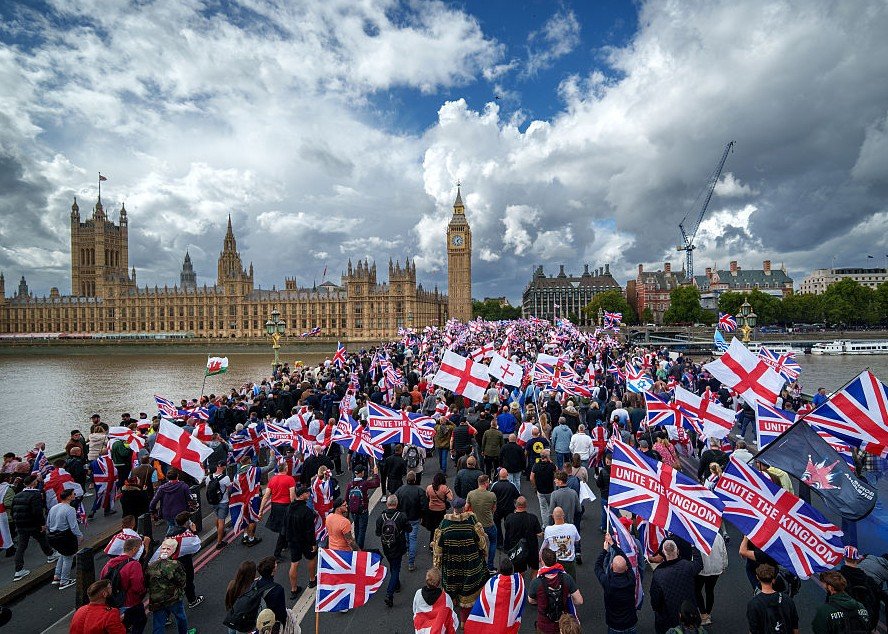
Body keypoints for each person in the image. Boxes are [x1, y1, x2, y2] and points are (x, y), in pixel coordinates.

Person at [431, 497, 489, 623]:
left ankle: (451, 616)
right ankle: (464, 621)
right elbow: (482, 543)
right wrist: (484, 553)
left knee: (452, 588)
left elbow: (438, 548)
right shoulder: (471, 521)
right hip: (470, 563)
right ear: (464, 508)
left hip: (451, 564)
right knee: (468, 592)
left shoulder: (445, 525)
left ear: (453, 508)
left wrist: (436, 565)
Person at [650, 539, 704, 634]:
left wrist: (658, 610)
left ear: (663, 552)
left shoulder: (658, 574)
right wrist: (693, 545)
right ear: (678, 551)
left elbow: (655, 599)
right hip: (688, 612)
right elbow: (699, 564)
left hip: (668, 616)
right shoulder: (687, 566)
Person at [12, 474, 59, 581]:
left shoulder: (17, 495)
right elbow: (37, 512)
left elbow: (13, 510)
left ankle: (18, 570)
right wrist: (42, 524)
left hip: (20, 524)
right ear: (33, 482)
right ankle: (51, 555)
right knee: (42, 538)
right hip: (32, 524)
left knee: (21, 546)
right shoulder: (36, 494)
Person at [527, 547, 584, 634]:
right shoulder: (566, 578)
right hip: (562, 624)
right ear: (556, 560)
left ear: (542, 562)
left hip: (544, 626)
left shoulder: (536, 582)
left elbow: (531, 600)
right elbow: (579, 601)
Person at [101, 537, 147, 634]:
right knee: (140, 622)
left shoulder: (109, 564)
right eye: (139, 548)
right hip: (131, 602)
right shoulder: (134, 564)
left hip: (113, 603)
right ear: (134, 549)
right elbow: (138, 587)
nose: (140, 551)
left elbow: (102, 580)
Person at [595, 533, 638, 634]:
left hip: (615, 625)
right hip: (631, 623)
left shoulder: (607, 582)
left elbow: (597, 567)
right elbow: (625, 558)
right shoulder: (631, 579)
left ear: (611, 567)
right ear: (626, 568)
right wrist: (613, 544)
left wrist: (605, 550)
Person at [146, 538, 189, 634]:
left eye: (168, 549)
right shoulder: (175, 564)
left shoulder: (151, 565)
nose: (165, 551)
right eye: (164, 548)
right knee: (180, 618)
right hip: (173, 598)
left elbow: (146, 582)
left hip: (156, 600)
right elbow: (182, 581)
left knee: (158, 624)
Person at [283, 485, 317, 598]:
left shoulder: (289, 508)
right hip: (305, 541)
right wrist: (313, 543)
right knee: (311, 558)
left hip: (292, 540)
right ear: (302, 495)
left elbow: (285, 524)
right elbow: (310, 530)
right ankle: (312, 580)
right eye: (307, 493)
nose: (309, 495)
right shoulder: (306, 511)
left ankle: (294, 589)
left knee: (294, 563)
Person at [746, 563, 800, 634]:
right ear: (774, 579)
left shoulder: (753, 604)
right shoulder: (787, 600)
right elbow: (795, 626)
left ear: (757, 577)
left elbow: (753, 629)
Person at [46, 487, 83, 589]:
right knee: (68, 557)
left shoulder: (54, 508)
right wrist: (79, 536)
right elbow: (73, 526)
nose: (74, 496)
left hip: (53, 536)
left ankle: (57, 576)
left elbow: (48, 523)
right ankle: (64, 581)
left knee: (63, 555)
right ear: (69, 497)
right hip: (65, 536)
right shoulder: (70, 509)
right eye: (73, 494)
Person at [376, 494, 409, 607]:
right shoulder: (401, 516)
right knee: (395, 569)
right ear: (397, 504)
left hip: (386, 546)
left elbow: (377, 533)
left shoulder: (381, 517)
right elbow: (409, 529)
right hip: (398, 546)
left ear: (387, 504)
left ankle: (397, 584)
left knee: (393, 566)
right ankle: (389, 593)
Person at [260, 462, 296, 560]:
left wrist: (261, 511)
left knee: (283, 528)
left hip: (275, 506)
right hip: (286, 506)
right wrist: (294, 507)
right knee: (283, 529)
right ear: (285, 469)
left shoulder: (272, 479)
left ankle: (285, 544)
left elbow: (266, 496)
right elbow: (292, 496)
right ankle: (277, 553)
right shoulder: (290, 479)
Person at [167, 511, 203, 608]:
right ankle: (192, 600)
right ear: (186, 522)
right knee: (188, 580)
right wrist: (194, 531)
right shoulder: (186, 535)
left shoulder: (170, 532)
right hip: (184, 561)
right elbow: (197, 544)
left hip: (171, 562)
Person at [394, 470, 427, 572]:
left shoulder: (399, 490)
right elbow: (424, 506)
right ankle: (411, 562)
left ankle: (408, 549)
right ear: (415, 479)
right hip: (414, 518)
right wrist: (422, 516)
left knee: (405, 535)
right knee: (413, 538)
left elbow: (395, 503)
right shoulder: (419, 491)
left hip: (403, 518)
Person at [412, 567, 459, 634]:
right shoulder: (446, 598)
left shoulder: (418, 593)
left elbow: (415, 610)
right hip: (438, 629)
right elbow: (450, 615)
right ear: (438, 582)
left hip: (421, 629)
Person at [503, 496, 544, 575]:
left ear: (516, 505)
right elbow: (539, 534)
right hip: (531, 548)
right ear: (526, 505)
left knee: (519, 571)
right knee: (534, 568)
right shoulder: (533, 518)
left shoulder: (510, 518)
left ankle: (521, 585)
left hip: (517, 549)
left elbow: (507, 532)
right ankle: (533, 585)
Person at [465, 474, 498, 571]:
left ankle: (478, 566)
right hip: (488, 524)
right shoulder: (491, 495)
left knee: (476, 544)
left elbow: (466, 508)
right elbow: (494, 509)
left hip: (476, 525)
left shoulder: (471, 494)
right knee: (493, 541)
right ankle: (490, 566)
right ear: (486, 483)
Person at [344, 463, 380, 550]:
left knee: (356, 527)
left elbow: (346, 498)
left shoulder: (350, 484)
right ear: (361, 473)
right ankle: (359, 548)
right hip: (363, 510)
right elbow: (377, 484)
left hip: (353, 511)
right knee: (362, 529)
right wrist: (376, 473)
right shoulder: (364, 484)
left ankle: (356, 544)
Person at [695, 531, 727, 626]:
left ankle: (703, 614)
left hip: (701, 569)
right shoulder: (718, 536)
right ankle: (708, 613)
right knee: (710, 590)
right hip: (715, 569)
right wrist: (724, 565)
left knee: (697, 591)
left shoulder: (697, 535)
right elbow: (723, 551)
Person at [541, 507, 581, 580]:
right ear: (563, 515)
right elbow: (577, 540)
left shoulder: (548, 530)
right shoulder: (572, 527)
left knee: (555, 582)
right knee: (570, 583)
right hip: (569, 562)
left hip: (554, 561)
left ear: (553, 517)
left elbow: (545, 544)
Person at [149, 468, 192, 535]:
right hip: (181, 513)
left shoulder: (162, 488)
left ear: (167, 477)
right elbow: (190, 499)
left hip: (167, 513)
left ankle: (169, 540)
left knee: (172, 527)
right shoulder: (184, 486)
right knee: (182, 530)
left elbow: (153, 501)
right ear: (177, 476)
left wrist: (153, 511)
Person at [224, 561, 258, 634]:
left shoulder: (232, 584)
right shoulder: (251, 590)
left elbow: (228, 602)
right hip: (244, 624)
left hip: (232, 619)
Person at [490, 468, 519, 549]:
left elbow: (491, 496)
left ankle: (499, 543)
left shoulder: (495, 485)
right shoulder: (511, 485)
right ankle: (507, 545)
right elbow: (518, 497)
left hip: (498, 509)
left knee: (497, 526)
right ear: (507, 475)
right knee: (509, 527)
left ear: (499, 475)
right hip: (509, 509)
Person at [205, 462, 232, 550]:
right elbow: (229, 490)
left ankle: (219, 532)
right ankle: (219, 542)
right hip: (223, 501)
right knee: (222, 521)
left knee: (217, 517)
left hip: (213, 501)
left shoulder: (209, 477)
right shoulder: (226, 478)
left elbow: (207, 489)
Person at [253, 556, 288, 625]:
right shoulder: (278, 589)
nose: (276, 565)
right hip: (270, 621)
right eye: (275, 564)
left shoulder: (254, 583)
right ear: (273, 570)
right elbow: (281, 613)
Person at [422, 472, 453, 547]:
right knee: (441, 527)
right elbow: (451, 498)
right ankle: (440, 544)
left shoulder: (429, 487)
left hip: (431, 509)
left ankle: (432, 544)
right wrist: (450, 491)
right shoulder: (444, 488)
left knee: (433, 529)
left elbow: (427, 496)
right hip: (441, 510)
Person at [531, 449, 556, 527]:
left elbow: (531, 477)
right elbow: (557, 471)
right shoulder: (551, 465)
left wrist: (535, 487)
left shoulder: (536, 465)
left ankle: (545, 525)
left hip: (540, 490)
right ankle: (552, 523)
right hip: (550, 490)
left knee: (543, 508)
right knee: (551, 507)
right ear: (547, 457)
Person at [596, 453, 612, 532]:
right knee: (613, 513)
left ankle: (604, 527)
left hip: (605, 495)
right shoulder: (616, 472)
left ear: (607, 461)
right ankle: (612, 528)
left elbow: (599, 484)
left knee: (604, 512)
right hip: (613, 496)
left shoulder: (603, 471)